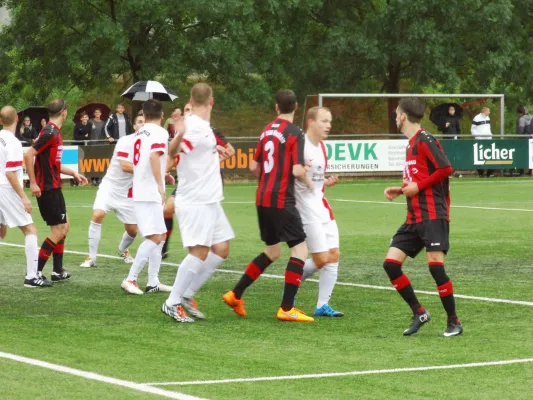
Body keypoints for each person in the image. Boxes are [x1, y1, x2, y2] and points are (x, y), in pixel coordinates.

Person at [222, 89, 314, 322]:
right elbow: (296, 170)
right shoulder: (295, 132)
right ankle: (287, 308)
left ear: (276, 107)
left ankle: (235, 294)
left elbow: (254, 167)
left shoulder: (266, 131)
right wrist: (307, 175)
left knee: (272, 251)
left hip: (262, 197)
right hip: (282, 198)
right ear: (296, 108)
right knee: (300, 250)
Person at [383, 98, 462, 337]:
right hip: (414, 217)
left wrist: (417, 187)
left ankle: (454, 322)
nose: (395, 117)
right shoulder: (411, 144)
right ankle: (419, 312)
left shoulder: (425, 139)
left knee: (436, 268)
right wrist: (401, 190)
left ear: (403, 116)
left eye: (397, 113)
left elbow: (446, 169)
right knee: (391, 264)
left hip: (433, 214)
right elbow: (418, 179)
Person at [161, 84, 235, 323]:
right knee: (199, 252)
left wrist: (215, 153)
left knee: (221, 249)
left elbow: (192, 153)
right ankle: (172, 302)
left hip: (210, 199)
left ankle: (186, 294)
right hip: (195, 199)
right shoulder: (191, 125)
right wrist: (179, 134)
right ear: (212, 101)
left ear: (191, 101)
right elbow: (171, 154)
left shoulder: (202, 126)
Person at [23, 99, 88, 282]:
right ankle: (34, 273)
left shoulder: (53, 132)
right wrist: (33, 183)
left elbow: (53, 164)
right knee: (58, 229)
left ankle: (57, 271)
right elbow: (28, 154)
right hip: (47, 188)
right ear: (64, 112)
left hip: (54, 186)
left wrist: (73, 173)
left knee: (64, 226)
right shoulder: (50, 132)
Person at [161, 103, 235, 259]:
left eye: (190, 110)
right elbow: (172, 157)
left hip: (207, 181)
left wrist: (212, 162)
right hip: (189, 182)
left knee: (205, 218)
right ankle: (164, 248)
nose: (188, 113)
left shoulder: (209, 130)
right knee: (167, 209)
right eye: (186, 110)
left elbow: (231, 150)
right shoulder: (183, 133)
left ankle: (206, 249)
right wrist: (165, 170)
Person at [80, 115, 145, 269]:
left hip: (128, 192)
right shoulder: (125, 141)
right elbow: (125, 166)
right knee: (98, 214)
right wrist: (149, 169)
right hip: (110, 187)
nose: (143, 125)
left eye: (145, 122)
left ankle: (122, 250)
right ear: (134, 126)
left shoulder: (149, 146)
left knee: (133, 230)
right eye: (140, 122)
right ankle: (92, 258)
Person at [121, 100, 172, 295]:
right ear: (162, 115)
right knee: (155, 236)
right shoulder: (160, 132)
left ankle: (153, 281)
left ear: (144, 114)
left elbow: (144, 160)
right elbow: (153, 156)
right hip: (150, 190)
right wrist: (159, 183)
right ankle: (131, 279)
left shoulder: (139, 133)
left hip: (141, 188)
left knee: (160, 235)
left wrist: (162, 174)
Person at [296, 106, 343, 317]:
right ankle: (292, 282)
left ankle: (322, 305)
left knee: (333, 255)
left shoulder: (322, 147)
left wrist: (325, 181)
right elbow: (292, 174)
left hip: (321, 205)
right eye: (324, 121)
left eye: (330, 121)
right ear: (310, 122)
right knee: (321, 258)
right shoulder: (300, 146)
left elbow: (314, 180)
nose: (328, 125)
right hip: (304, 207)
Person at [0, 106, 52, 288]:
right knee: (30, 229)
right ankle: (31, 277)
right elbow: (10, 173)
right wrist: (23, 197)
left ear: (0, 121)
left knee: (1, 232)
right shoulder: (13, 143)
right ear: (17, 119)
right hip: (7, 189)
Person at [471, 107, 494, 177]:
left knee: (490, 155)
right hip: (480, 141)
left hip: (488, 141)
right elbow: (472, 129)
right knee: (479, 156)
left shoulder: (488, 118)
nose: (489, 113)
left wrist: (490, 135)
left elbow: (488, 128)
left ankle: (489, 173)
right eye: (488, 111)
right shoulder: (476, 118)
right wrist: (478, 137)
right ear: (485, 111)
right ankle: (481, 173)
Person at [515, 106, 531, 176]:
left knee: (520, 155)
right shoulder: (531, 117)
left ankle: (521, 172)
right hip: (531, 139)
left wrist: (518, 134)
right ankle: (530, 171)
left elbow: (521, 131)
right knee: (530, 155)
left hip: (524, 140)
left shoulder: (522, 119)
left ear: (519, 112)